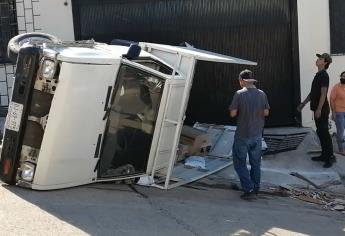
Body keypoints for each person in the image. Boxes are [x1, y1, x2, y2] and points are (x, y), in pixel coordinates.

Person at [229, 69, 270, 200]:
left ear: (242, 81)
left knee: (239, 163)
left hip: (242, 134)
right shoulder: (262, 94)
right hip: (257, 135)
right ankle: (255, 188)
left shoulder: (239, 94)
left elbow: (232, 114)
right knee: (255, 164)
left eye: (239, 81)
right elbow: (266, 113)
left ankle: (249, 188)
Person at [297, 53, 336, 168]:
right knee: (320, 132)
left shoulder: (324, 75)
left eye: (320, 59)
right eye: (318, 58)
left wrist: (319, 109)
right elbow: (312, 93)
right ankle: (324, 155)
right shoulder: (318, 75)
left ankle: (330, 157)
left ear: (325, 62)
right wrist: (303, 104)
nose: (317, 60)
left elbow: (323, 94)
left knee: (324, 133)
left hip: (322, 109)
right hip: (317, 109)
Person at [330, 71, 345, 156]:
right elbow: (331, 99)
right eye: (343, 76)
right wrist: (333, 112)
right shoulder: (336, 87)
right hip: (339, 112)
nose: (344, 78)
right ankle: (341, 149)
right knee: (340, 131)